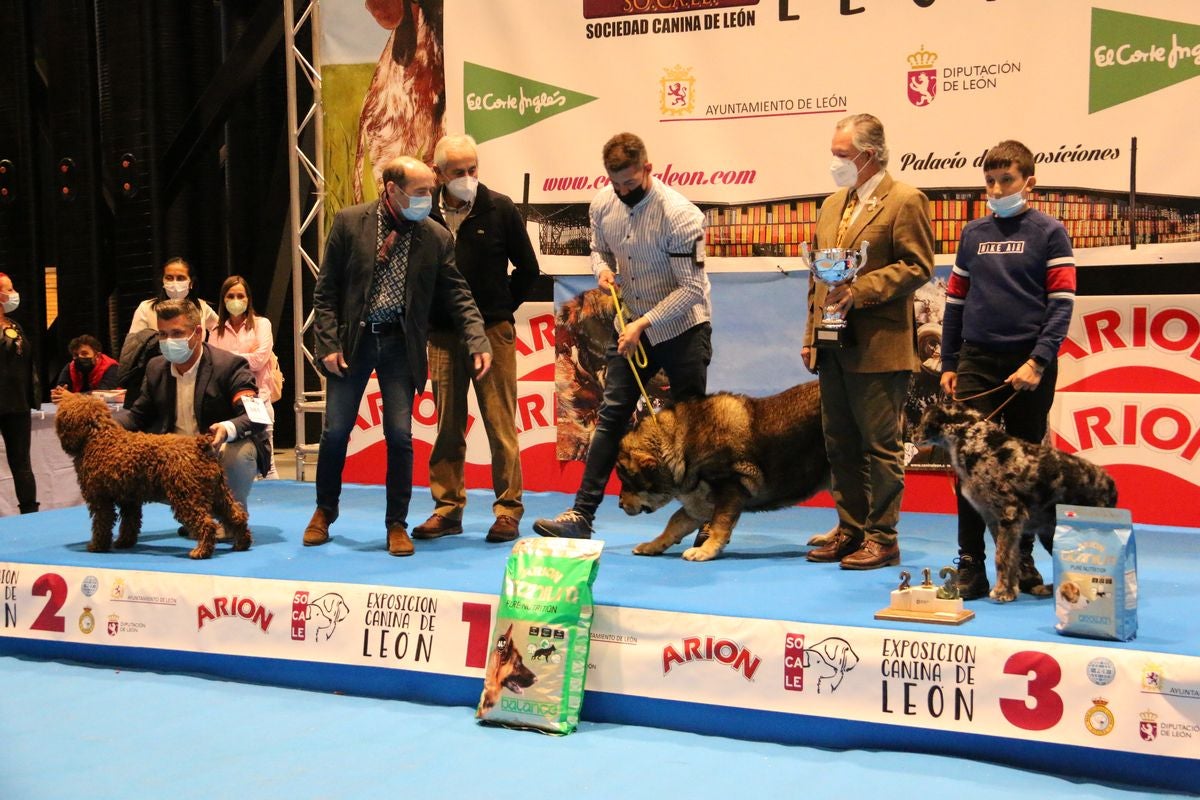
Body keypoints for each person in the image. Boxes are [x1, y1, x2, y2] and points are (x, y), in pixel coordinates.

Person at [303, 155, 493, 557]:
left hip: (399, 346)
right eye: (421, 191)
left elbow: (459, 295)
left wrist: (477, 338)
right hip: (351, 345)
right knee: (335, 431)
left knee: (400, 436)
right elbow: (325, 293)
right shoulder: (349, 222)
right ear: (392, 190)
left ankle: (396, 524)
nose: (430, 198)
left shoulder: (436, 237)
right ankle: (324, 510)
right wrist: (329, 346)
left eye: (431, 190)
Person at [533, 132, 711, 541]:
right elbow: (598, 248)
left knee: (693, 428)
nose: (623, 191)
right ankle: (581, 516)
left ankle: (705, 515)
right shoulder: (602, 204)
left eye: (631, 183)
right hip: (630, 324)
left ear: (648, 168)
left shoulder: (682, 216)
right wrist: (601, 269)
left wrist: (644, 323)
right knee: (611, 416)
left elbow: (692, 289)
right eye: (616, 183)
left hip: (683, 326)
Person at [939, 139, 1076, 600]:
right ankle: (970, 567)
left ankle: (1022, 565)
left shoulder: (1050, 233)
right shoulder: (973, 233)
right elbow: (955, 302)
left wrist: (1038, 361)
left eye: (1007, 180)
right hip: (977, 361)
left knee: (1024, 472)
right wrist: (950, 362)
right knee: (970, 467)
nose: (997, 189)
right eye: (991, 181)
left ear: (1029, 182)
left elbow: (1061, 305)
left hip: (1028, 365)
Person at [802, 113, 935, 570]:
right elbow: (818, 277)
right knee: (839, 443)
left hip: (880, 346)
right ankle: (851, 528)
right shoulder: (831, 205)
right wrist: (810, 336)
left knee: (880, 446)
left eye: (842, 155)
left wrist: (860, 291)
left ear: (870, 154)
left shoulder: (905, 200)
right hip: (832, 343)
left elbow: (918, 267)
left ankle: (883, 537)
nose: (834, 162)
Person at [411, 134, 540, 544]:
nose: (467, 178)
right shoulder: (423, 213)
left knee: (501, 425)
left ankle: (508, 511)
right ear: (438, 174)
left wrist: (499, 310)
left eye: (473, 170)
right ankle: (447, 509)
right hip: (443, 336)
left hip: (492, 332)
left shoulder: (499, 208)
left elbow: (529, 270)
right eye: (458, 172)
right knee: (448, 425)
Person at [110, 298, 268, 528]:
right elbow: (137, 416)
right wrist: (103, 423)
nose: (168, 341)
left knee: (237, 456)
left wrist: (227, 428)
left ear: (197, 332)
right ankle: (199, 515)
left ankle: (231, 518)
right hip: (177, 455)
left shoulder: (230, 366)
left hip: (215, 449)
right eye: (162, 335)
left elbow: (255, 417)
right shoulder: (155, 367)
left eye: (176, 333)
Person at [207, 275, 280, 479]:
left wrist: (227, 359)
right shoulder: (215, 331)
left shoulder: (262, 324)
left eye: (240, 295)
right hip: (230, 406)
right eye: (230, 295)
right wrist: (247, 355)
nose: (236, 300)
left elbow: (259, 359)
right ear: (223, 300)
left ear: (248, 299)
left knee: (268, 463)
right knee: (230, 461)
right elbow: (213, 365)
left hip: (260, 401)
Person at [0, 273, 40, 514]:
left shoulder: (15, 326)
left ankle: (30, 513)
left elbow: (27, 364)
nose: (14, 294)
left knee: (22, 464)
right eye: (9, 289)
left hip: (17, 405)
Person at [128, 257, 219, 336]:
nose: (174, 282)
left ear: (191, 283)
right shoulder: (146, 308)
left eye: (180, 278)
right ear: (163, 281)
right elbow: (133, 345)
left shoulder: (202, 307)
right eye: (169, 278)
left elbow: (220, 330)